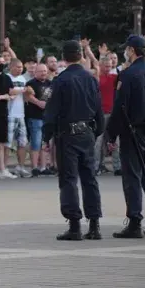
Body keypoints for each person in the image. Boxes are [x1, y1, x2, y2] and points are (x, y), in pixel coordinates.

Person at [107, 35, 145, 238]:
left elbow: (119, 107)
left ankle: (135, 221)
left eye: (127, 49)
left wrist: (110, 134)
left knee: (132, 176)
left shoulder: (128, 74)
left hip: (133, 130)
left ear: (132, 51)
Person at [43, 40, 104, 241]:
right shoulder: (91, 79)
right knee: (90, 178)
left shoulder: (61, 80)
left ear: (64, 57)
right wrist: (97, 131)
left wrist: (46, 136)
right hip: (87, 132)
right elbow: (98, 108)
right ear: (80, 55)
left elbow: (51, 111)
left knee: (69, 179)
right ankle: (94, 225)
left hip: (67, 135)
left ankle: (75, 225)